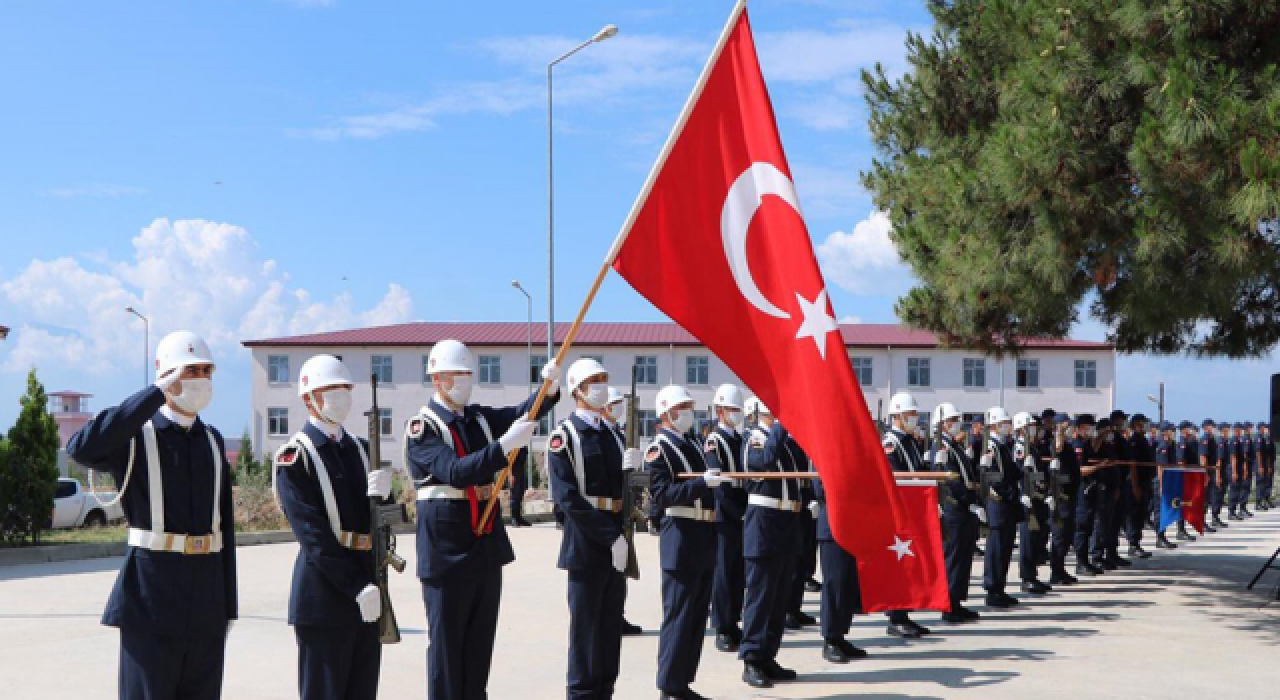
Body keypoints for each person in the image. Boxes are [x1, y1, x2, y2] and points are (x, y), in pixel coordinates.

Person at [66, 330, 237, 700]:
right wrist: (153, 395)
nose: (200, 379)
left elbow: (225, 527)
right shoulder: (133, 436)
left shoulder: (213, 440)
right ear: (166, 375)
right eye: (189, 371)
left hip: (206, 599)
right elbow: (81, 447)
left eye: (206, 370)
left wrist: (227, 606)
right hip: (151, 598)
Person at [404, 339, 560, 700]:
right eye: (458, 376)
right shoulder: (423, 428)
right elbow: (455, 471)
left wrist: (548, 388)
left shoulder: (476, 418)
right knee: (447, 647)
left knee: (478, 645)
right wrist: (504, 447)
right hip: (447, 551)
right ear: (438, 379)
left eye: (468, 375)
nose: (465, 382)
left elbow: (525, 412)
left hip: (484, 544)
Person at [274, 355, 393, 700]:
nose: (340, 395)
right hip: (325, 594)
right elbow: (314, 537)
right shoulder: (295, 457)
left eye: (344, 387)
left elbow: (386, 520)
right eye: (330, 389)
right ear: (308, 398)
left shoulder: (361, 449)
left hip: (367, 582)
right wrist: (356, 586)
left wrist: (387, 497)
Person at [546, 358, 631, 700]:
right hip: (586, 542)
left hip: (617, 537)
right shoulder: (563, 436)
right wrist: (610, 537)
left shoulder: (612, 432)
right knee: (585, 632)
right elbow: (567, 497)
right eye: (594, 380)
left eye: (603, 378)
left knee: (610, 628)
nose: (601, 385)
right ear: (577, 390)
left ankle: (605, 692)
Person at [647, 385, 729, 700]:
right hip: (680, 534)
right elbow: (662, 494)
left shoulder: (693, 444)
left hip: (703, 534)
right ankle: (668, 685)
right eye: (683, 406)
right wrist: (701, 483)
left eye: (690, 406)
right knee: (679, 613)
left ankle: (682, 682)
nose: (688, 412)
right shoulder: (660, 448)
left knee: (696, 614)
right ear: (667, 411)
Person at [739, 398, 802, 689]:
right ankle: (751, 658)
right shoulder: (755, 438)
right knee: (760, 595)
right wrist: (779, 426)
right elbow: (763, 465)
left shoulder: (784, 441)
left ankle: (768, 655)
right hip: (764, 522)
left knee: (778, 596)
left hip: (786, 520)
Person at [880, 392, 933, 636]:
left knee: (911, 565)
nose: (915, 418)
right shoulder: (891, 441)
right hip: (900, 510)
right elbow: (896, 473)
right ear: (898, 415)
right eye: (911, 414)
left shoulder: (910, 440)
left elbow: (919, 470)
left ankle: (905, 612)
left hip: (914, 508)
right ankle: (895, 616)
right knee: (900, 564)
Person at [704, 384, 748, 653]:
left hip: (741, 513)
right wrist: (739, 512)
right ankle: (722, 625)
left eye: (738, 410)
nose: (736, 414)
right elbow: (719, 484)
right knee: (723, 572)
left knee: (737, 572)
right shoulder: (715, 441)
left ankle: (733, 621)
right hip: (724, 515)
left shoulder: (740, 439)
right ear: (720, 411)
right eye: (732, 410)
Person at [930, 403, 984, 622]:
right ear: (942, 424)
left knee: (963, 558)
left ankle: (956, 601)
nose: (956, 423)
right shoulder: (940, 446)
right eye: (951, 420)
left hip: (963, 509)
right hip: (954, 508)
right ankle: (948, 605)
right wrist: (969, 500)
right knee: (953, 558)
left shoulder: (953, 445)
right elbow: (951, 480)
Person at [813, 456, 870, 662]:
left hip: (852, 526)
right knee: (834, 584)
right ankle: (830, 639)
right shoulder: (823, 454)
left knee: (848, 584)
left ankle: (840, 635)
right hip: (832, 527)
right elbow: (820, 491)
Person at [602, 387, 643, 637]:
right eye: (614, 403)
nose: (617, 407)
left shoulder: (617, 434)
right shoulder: (605, 434)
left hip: (622, 508)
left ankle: (618, 614)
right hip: (608, 510)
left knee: (620, 572)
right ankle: (611, 616)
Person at [980, 406, 1025, 606]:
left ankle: (1000, 588)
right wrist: (1013, 495)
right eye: (1004, 423)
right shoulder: (990, 447)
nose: (1007, 426)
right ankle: (992, 589)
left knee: (1005, 548)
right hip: (998, 504)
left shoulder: (1003, 446)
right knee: (996, 549)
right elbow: (993, 477)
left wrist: (1023, 468)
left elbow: (1010, 473)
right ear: (995, 425)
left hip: (1007, 505)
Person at [1013, 412, 1051, 593]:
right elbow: (1019, 474)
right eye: (1030, 426)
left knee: (1036, 538)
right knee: (1028, 540)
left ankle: (1032, 575)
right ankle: (1027, 577)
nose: (1034, 430)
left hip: (1037, 496)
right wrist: (1023, 493)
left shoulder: (1032, 448)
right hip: (1027, 498)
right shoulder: (1019, 448)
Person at [1046, 414, 1080, 585]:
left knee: (1066, 535)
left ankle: (1061, 569)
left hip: (1070, 496)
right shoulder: (1056, 443)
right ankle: (1056, 572)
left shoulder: (1068, 445)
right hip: (1061, 498)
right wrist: (1060, 431)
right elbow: (1057, 447)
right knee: (1059, 536)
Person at [1072, 414, 1106, 576]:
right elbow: (1079, 470)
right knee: (1081, 527)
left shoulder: (1086, 444)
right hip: (1081, 491)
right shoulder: (1077, 445)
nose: (1091, 430)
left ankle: (1086, 561)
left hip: (1090, 490)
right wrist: (1099, 467)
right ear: (1080, 429)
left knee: (1088, 527)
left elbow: (1094, 450)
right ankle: (1081, 562)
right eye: (1089, 427)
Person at [1125, 413, 1156, 558]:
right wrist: (1135, 486)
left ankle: (1137, 542)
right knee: (1134, 514)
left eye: (1143, 423)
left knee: (1141, 513)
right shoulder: (1134, 441)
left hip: (1145, 481)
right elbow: (1133, 466)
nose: (1143, 426)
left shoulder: (1144, 440)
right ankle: (1133, 544)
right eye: (1140, 424)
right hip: (1137, 482)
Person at [1152, 422, 1180, 549]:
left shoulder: (1171, 445)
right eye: (1170, 431)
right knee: (1160, 510)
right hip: (1162, 481)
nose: (1172, 433)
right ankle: (1160, 537)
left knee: (1166, 510)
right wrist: (1163, 485)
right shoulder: (1163, 445)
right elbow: (1161, 467)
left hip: (1169, 479)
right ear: (1165, 432)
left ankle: (1163, 536)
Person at [1259, 423, 1275, 511]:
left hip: (1270, 463)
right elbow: (1267, 454)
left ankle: (1267, 499)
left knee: (1269, 482)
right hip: (1267, 464)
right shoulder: (1266, 439)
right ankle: (1263, 500)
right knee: (1265, 483)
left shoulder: (1270, 439)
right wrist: (1268, 465)